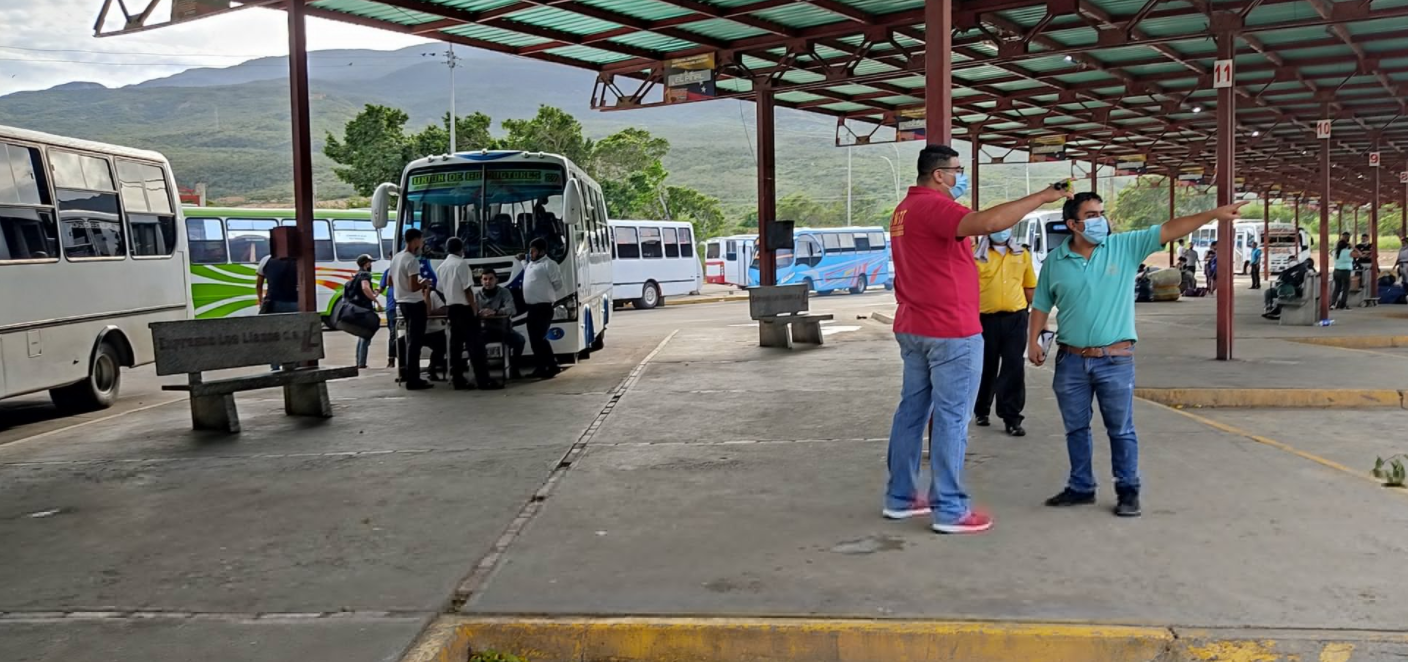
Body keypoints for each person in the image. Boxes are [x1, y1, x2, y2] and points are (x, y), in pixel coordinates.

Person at [883, 143, 1072, 535]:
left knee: (912, 412)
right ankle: (950, 508)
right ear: (939, 174)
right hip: (950, 329)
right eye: (957, 170)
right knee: (952, 418)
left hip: (915, 324)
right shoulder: (935, 207)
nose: (960, 177)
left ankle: (901, 497)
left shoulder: (904, 210)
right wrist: (1043, 196)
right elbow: (986, 223)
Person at [1028, 192, 1248, 518]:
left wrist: (1213, 214)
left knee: (1121, 429)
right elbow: (1042, 304)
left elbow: (1171, 228)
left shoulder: (1124, 247)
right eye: (1091, 215)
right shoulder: (1055, 262)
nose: (1101, 220)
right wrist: (1032, 340)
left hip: (1115, 360)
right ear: (1073, 224)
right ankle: (1081, 486)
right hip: (1071, 360)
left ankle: (1128, 490)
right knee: (1076, 428)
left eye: (1101, 213)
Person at [971, 230, 1036, 437]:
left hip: (1015, 318)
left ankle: (1012, 418)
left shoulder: (1022, 254)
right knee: (986, 366)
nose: (1002, 231)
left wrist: (1037, 318)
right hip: (984, 319)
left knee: (1014, 367)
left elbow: (1029, 286)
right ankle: (982, 409)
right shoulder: (975, 255)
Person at [437, 238, 500, 390]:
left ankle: (458, 380)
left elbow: (440, 289)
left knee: (456, 346)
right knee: (476, 346)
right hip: (465, 309)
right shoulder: (461, 263)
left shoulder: (441, 267)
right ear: (461, 249)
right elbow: (467, 289)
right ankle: (483, 381)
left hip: (451, 308)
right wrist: (474, 308)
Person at [391, 228, 433, 390]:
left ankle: (408, 375)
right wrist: (425, 283)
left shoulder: (396, 258)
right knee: (415, 343)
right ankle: (413, 380)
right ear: (415, 240)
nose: (422, 244)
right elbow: (413, 286)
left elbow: (391, 280)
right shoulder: (412, 260)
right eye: (421, 240)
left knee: (410, 341)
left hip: (401, 302)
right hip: (415, 304)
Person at [255, 234, 300, 370]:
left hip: (273, 302)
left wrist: (261, 300)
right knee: (294, 336)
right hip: (294, 302)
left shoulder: (266, 260)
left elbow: (259, 285)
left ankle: (275, 366)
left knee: (274, 336)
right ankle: (293, 364)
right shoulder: (298, 260)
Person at [522, 237, 564, 379]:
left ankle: (551, 366)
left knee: (540, 338)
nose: (531, 254)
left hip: (543, 307)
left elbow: (558, 283)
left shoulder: (549, 264)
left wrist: (544, 291)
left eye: (533, 251)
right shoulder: (531, 264)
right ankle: (541, 367)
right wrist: (522, 260)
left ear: (542, 251)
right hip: (532, 308)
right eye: (530, 251)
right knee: (534, 339)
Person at [477, 269, 526, 379]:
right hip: (483, 331)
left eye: (491, 279)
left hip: (503, 329)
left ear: (496, 280)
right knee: (473, 343)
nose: (488, 282)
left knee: (520, 341)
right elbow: (470, 311)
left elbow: (512, 309)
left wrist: (495, 312)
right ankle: (481, 373)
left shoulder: (504, 292)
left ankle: (514, 368)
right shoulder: (476, 295)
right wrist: (479, 313)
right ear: (481, 281)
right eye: (485, 279)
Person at [348, 255, 382, 369]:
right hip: (365, 309)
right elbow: (365, 288)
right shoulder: (365, 275)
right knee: (366, 335)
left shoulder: (357, 275)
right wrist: (376, 300)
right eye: (369, 262)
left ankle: (359, 362)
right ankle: (361, 363)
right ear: (365, 263)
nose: (371, 264)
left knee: (362, 335)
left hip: (357, 308)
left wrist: (375, 293)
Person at [1331, 237, 1359, 310]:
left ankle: (1333, 304)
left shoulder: (1336, 252)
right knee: (1346, 288)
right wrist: (1353, 247)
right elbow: (1360, 254)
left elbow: (1331, 252)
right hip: (1345, 271)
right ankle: (1343, 304)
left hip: (1336, 271)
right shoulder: (1348, 252)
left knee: (1337, 288)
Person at [379, 267, 397, 369]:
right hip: (393, 307)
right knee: (393, 335)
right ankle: (391, 360)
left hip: (394, 306)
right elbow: (381, 287)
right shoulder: (389, 270)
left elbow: (381, 288)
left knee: (393, 335)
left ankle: (392, 361)